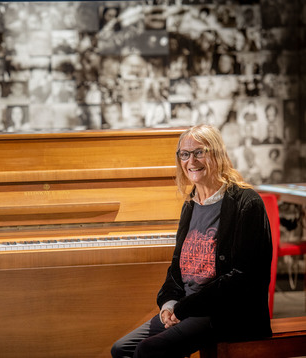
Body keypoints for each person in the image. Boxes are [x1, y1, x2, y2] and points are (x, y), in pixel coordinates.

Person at [111, 124, 272, 358]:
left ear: (216, 153)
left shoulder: (246, 203)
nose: (191, 161)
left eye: (199, 152)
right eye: (185, 154)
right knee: (122, 349)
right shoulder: (191, 204)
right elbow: (177, 267)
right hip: (186, 308)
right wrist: (168, 304)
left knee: (149, 350)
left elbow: (242, 277)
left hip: (226, 312)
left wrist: (184, 308)